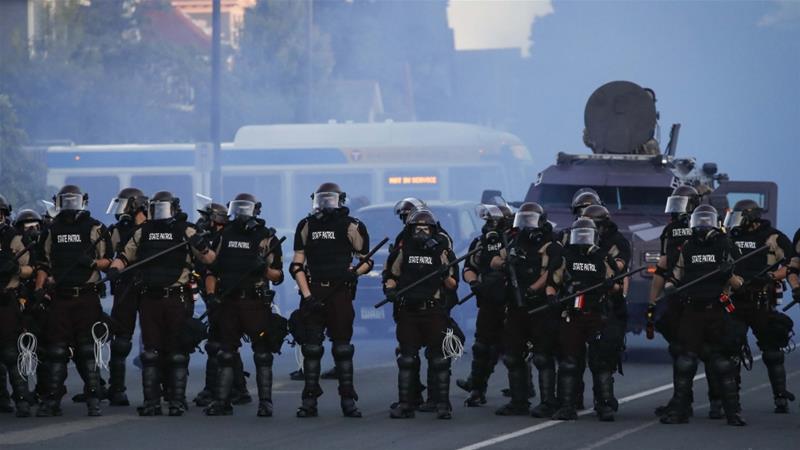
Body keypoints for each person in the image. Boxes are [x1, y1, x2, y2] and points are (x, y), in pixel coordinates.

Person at [108, 191, 215, 416]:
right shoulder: (142, 231)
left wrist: (201, 245)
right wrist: (115, 269)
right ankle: (151, 403)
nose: (160, 213)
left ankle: (176, 401)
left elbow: (210, 259)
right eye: (156, 208)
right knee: (151, 352)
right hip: (150, 298)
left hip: (177, 297)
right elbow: (125, 256)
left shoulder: (186, 230)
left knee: (176, 351)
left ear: (174, 209)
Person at [659, 205, 747, 426]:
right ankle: (680, 411)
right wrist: (670, 286)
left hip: (717, 309)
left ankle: (732, 412)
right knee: (685, 362)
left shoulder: (725, 245)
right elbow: (676, 275)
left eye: (706, 221)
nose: (702, 226)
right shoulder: (687, 246)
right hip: (692, 311)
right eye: (700, 221)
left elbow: (740, 284)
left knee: (722, 363)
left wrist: (729, 274)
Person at [290, 182, 372, 418]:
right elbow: (297, 265)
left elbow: (366, 260)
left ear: (340, 201)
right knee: (312, 348)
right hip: (314, 290)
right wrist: (307, 296)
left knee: (343, 349)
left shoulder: (351, 226)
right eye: (321, 199)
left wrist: (354, 273)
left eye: (330, 199)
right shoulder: (306, 225)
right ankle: (309, 401)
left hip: (340, 293)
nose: (325, 204)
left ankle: (348, 400)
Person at [34, 185, 112, 417]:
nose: (70, 206)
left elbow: (108, 260)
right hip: (60, 297)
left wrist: (92, 264)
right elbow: (43, 264)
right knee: (57, 351)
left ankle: (94, 399)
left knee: (87, 350)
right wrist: (39, 289)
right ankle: (53, 400)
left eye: (73, 201)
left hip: (86, 296)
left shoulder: (95, 228)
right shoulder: (51, 230)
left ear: (83, 201)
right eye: (65, 201)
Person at [204, 193, 284, 417]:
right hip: (228, 301)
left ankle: (265, 402)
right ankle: (222, 402)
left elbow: (278, 275)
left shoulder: (266, 238)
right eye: (237, 209)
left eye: (245, 209)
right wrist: (211, 296)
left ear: (256, 211)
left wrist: (263, 270)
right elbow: (212, 270)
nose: (240, 214)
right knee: (226, 353)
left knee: (262, 354)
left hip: (255, 302)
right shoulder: (224, 236)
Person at [384, 209, 458, 419]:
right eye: (417, 228)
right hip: (408, 310)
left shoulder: (442, 252)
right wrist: (389, 290)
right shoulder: (403, 250)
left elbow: (452, 285)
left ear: (433, 230)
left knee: (439, 359)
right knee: (407, 358)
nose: (421, 232)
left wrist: (444, 274)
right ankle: (407, 404)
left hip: (433, 309)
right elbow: (391, 275)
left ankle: (442, 405)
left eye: (426, 228)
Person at [724, 199, 795, 413]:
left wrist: (771, 276)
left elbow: (792, 264)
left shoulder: (773, 237)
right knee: (730, 349)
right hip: (735, 300)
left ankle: (780, 396)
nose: (734, 222)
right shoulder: (729, 237)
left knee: (772, 350)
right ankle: (730, 399)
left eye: (739, 217)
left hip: (761, 299)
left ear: (751, 217)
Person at [492, 203, 563, 417]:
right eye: (523, 221)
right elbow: (494, 260)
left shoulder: (551, 244)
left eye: (530, 221)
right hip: (515, 306)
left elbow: (552, 271)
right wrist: (505, 264)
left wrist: (534, 289)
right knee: (513, 355)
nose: (526, 227)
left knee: (542, 356)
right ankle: (518, 401)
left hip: (539, 306)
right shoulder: (514, 240)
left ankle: (548, 402)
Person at [548, 218, 621, 421]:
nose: (582, 240)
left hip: (597, 314)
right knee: (569, 361)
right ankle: (567, 405)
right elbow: (552, 282)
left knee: (601, 363)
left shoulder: (603, 258)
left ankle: (604, 404)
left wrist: (609, 285)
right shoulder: (565, 257)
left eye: (586, 235)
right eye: (578, 235)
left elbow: (618, 287)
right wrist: (551, 297)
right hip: (572, 314)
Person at [459, 204, 507, 407]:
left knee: (513, 347)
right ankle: (477, 389)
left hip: (511, 302)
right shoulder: (479, 243)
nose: (488, 226)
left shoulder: (513, 241)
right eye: (486, 222)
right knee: (482, 346)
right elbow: (469, 267)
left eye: (492, 222)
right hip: (488, 302)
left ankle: (522, 391)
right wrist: (474, 283)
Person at [105, 187, 149, 406]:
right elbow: (106, 254)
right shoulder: (118, 229)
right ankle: (117, 388)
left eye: (124, 205)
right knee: (121, 340)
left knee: (155, 340)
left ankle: (161, 391)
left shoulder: (155, 227)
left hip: (152, 286)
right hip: (125, 286)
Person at [0, 195, 35, 417]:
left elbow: (29, 268)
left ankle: (21, 399)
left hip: (6, 299)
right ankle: (2, 399)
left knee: (11, 354)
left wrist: (14, 269)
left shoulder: (12, 237)